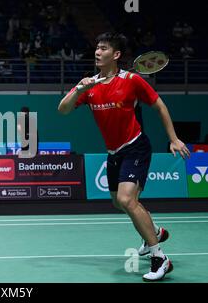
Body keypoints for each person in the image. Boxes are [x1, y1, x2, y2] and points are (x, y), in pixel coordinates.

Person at [58, 32, 191, 282]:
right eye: (97, 48)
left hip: (135, 146)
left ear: (116, 55)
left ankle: (160, 258)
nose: (98, 52)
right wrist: (79, 89)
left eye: (104, 48)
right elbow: (62, 109)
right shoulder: (90, 85)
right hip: (113, 152)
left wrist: (174, 138)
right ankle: (155, 231)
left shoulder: (132, 80)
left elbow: (159, 105)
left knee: (126, 199)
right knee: (119, 203)